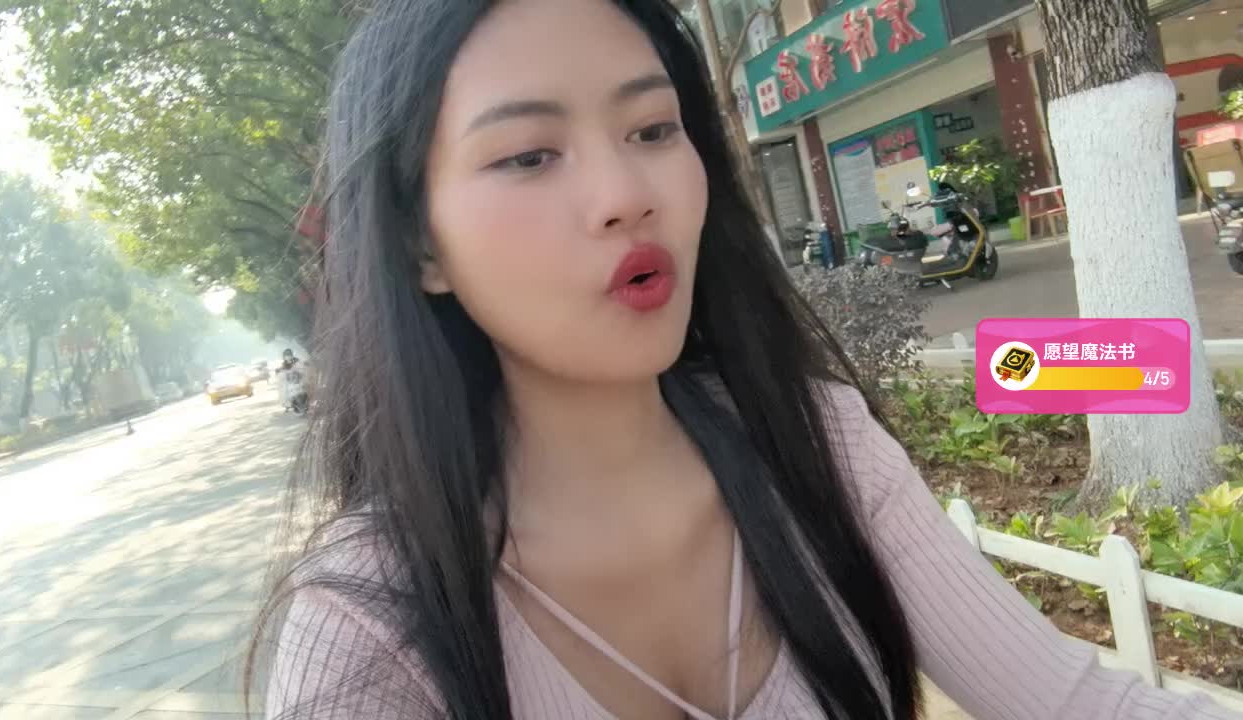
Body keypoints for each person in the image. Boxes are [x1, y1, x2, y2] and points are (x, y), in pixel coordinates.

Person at [250, 2, 1241, 719]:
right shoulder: (369, 631)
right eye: (528, 155)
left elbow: (1074, 702)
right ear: (419, 245)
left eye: (652, 129)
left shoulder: (817, 447)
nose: (625, 194)